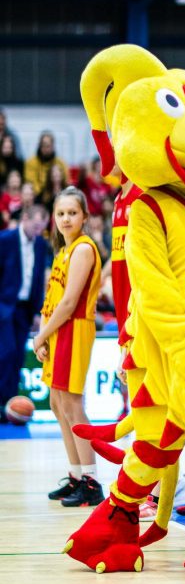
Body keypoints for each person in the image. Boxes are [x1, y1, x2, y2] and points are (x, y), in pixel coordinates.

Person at [34, 187, 103, 507]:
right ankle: (76, 474)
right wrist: (44, 335)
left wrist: (41, 335)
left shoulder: (83, 249)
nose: (65, 219)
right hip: (58, 330)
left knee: (72, 403)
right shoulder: (63, 251)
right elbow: (52, 301)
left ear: (85, 217)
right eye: (60, 213)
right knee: (56, 402)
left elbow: (69, 302)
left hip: (74, 328)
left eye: (72, 213)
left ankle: (91, 481)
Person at [0, 205, 49, 421]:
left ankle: (10, 405)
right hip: (4, 305)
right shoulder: (5, 239)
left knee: (18, 355)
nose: (38, 231)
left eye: (42, 227)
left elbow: (38, 281)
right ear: (25, 219)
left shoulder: (40, 244)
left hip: (25, 309)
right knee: (6, 352)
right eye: (36, 226)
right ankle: (2, 403)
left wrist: (38, 312)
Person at [24, 132, 69, 200]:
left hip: (58, 195)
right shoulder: (31, 162)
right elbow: (31, 183)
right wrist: (46, 194)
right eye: (43, 146)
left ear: (53, 147)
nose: (46, 149)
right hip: (38, 197)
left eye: (48, 146)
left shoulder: (61, 163)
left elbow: (66, 182)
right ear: (40, 146)